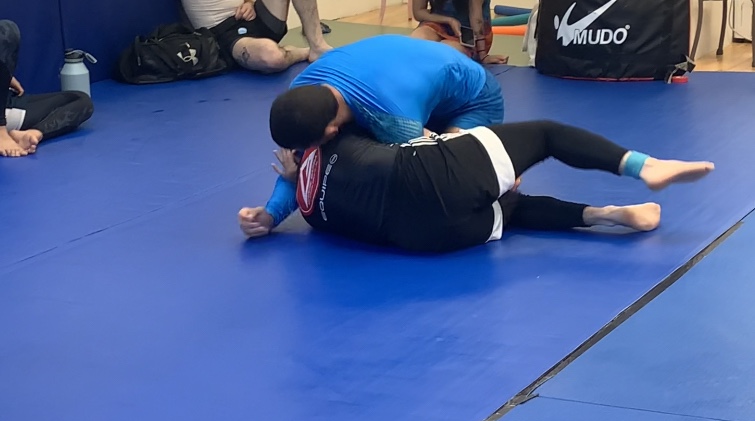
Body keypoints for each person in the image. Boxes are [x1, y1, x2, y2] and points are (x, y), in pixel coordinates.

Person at [238, 120, 714, 252]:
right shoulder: (344, 134)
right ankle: (645, 167)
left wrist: (270, 213)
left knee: (515, 209)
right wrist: (462, 147)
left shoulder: (310, 204)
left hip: (427, 240)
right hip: (434, 180)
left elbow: (290, 194)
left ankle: (603, 216)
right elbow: (411, 134)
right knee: (544, 135)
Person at [269, 34, 504, 151]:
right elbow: (299, 161)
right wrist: (271, 213)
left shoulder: (395, 122)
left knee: (452, 162)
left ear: (331, 130)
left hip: (477, 98)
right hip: (417, 89)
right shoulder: (303, 85)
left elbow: (438, 160)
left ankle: (497, 168)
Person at [1, 20, 94, 158]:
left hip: (9, 105)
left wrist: (5, 75)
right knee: (6, 30)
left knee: (81, 100)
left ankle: (33, 133)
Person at [181, 0, 332, 73]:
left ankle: (317, 46)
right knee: (273, 57)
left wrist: (249, 2)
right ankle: (303, 52)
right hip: (225, 35)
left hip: (253, 16)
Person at [411, 0, 508, 65]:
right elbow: (419, 12)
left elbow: (476, 19)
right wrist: (449, 20)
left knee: (443, 53)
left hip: (469, 33)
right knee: (415, 43)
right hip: (438, 23)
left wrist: (482, 55)